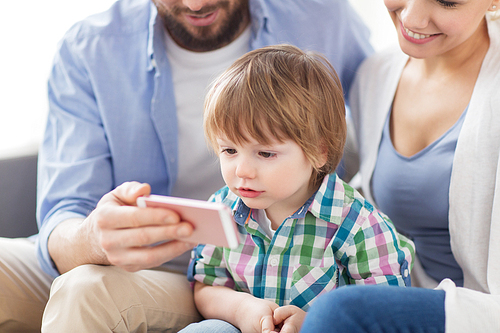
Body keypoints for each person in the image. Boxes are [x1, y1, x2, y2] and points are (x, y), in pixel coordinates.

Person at [0, 0, 373, 332]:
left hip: (205, 282)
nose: (196, 4)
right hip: (131, 267)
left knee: (84, 290)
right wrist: (94, 239)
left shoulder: (323, 14)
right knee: (72, 277)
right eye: (227, 151)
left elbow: (381, 116)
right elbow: (64, 213)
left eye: (264, 153)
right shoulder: (89, 47)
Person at [178, 44, 414, 333]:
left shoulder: (359, 226)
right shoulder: (221, 208)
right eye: (229, 150)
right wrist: (242, 310)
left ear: (319, 152)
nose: (242, 170)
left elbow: (385, 316)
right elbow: (205, 286)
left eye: (265, 153)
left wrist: (316, 325)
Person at [301, 0, 500, 332]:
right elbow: (328, 183)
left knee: (338, 312)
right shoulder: (375, 76)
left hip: (483, 310)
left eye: (447, 1)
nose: (411, 17)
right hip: (401, 296)